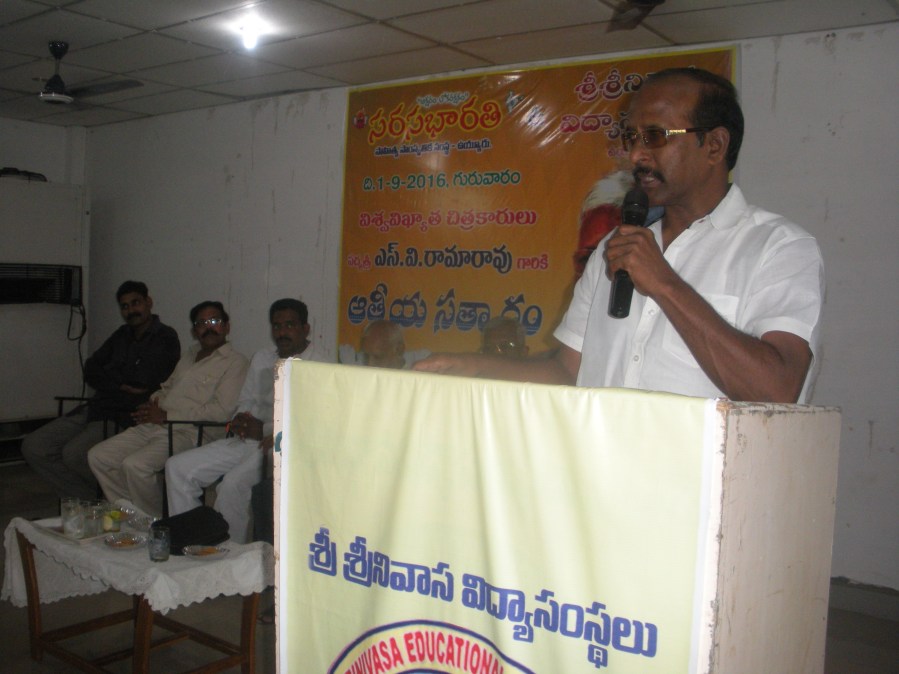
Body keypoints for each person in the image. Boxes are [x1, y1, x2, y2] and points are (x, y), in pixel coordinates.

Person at [415, 67, 824, 404]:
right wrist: (472, 368)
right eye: (631, 137)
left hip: (706, 478)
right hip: (601, 473)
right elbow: (567, 373)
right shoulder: (613, 250)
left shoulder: (779, 248)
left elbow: (777, 390)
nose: (636, 155)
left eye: (655, 136)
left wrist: (664, 284)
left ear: (715, 146)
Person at [165, 299, 327, 543]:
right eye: (277, 326)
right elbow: (246, 400)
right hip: (248, 439)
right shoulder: (262, 357)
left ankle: (230, 555)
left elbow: (315, 423)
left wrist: (266, 429)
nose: (282, 332)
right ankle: (192, 543)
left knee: (232, 485)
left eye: (290, 325)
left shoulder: (321, 365)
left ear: (305, 329)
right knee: (177, 468)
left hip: (282, 446)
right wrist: (241, 419)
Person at [21, 281, 180, 500]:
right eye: (125, 306)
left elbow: (143, 380)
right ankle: (90, 501)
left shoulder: (165, 336)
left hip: (125, 414)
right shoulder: (122, 334)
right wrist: (118, 383)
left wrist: (110, 374)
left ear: (148, 302)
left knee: (75, 454)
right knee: (33, 446)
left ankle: (105, 501)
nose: (131, 311)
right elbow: (91, 368)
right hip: (97, 406)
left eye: (136, 303)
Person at [87, 301, 248, 516]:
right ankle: (132, 516)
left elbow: (222, 411)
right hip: (157, 425)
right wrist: (152, 403)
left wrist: (167, 415)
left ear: (226, 326)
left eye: (214, 321)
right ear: (194, 331)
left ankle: (154, 525)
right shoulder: (190, 356)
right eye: (201, 323)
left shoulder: (236, 362)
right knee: (99, 456)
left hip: (191, 433)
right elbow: (167, 388)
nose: (208, 327)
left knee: (135, 466)